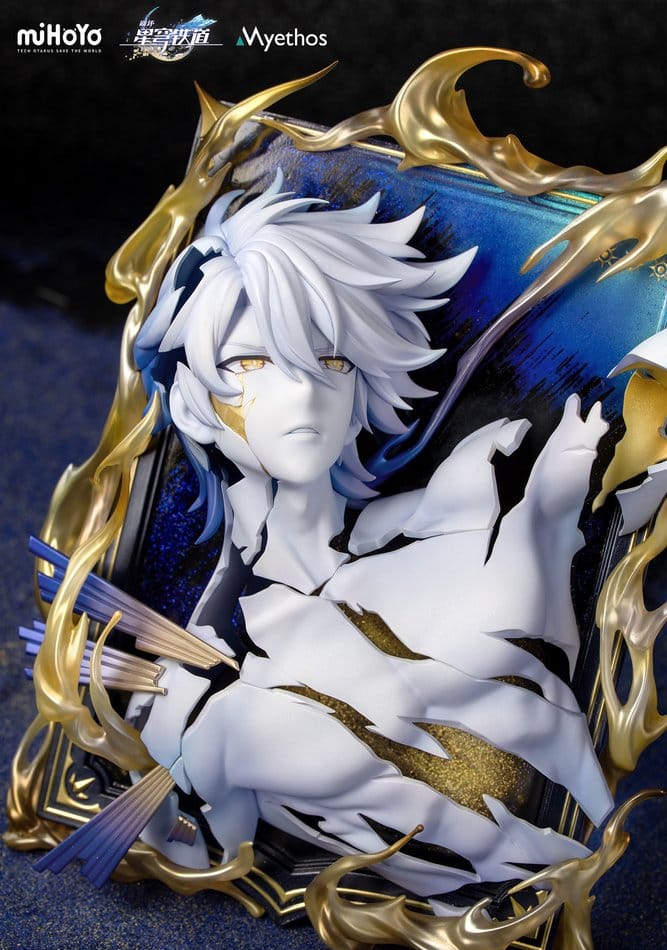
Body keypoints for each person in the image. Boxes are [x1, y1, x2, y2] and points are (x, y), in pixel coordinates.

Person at [122, 170, 612, 903]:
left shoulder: (437, 518)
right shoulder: (221, 642)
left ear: (362, 386)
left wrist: (554, 497)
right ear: (192, 404)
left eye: (333, 361)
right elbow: (203, 840)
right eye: (249, 363)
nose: (302, 390)